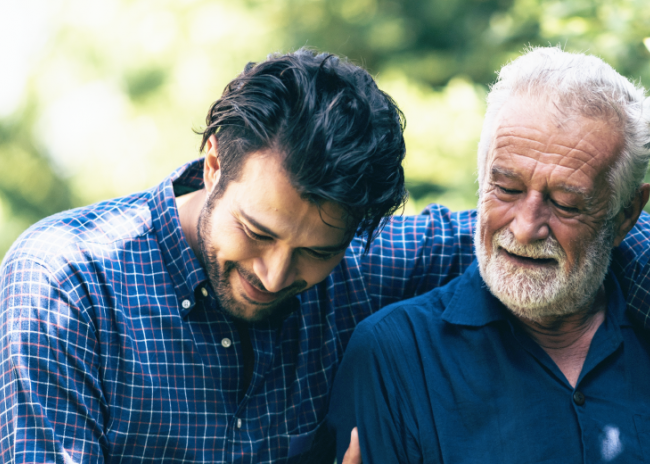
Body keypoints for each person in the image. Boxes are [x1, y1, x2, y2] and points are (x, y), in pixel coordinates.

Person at [0, 47, 648, 464]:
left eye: (315, 251)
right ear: (213, 162)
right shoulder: (68, 286)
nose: (275, 274)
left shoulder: (365, 268)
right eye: (256, 232)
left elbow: (546, 239)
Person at [328, 46, 650, 464]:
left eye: (567, 204)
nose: (524, 228)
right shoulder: (395, 353)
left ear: (626, 215)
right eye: (508, 189)